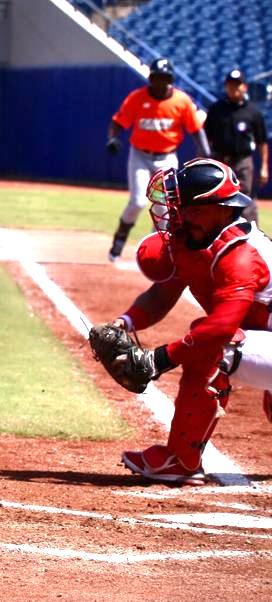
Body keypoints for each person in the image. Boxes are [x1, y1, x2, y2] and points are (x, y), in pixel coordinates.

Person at [103, 158, 272, 485]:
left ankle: (180, 460)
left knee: (216, 345)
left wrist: (159, 359)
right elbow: (161, 295)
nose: (179, 215)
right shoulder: (194, 238)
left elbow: (222, 327)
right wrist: (123, 323)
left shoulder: (241, 255)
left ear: (222, 209)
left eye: (189, 207)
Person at [105, 58, 209, 262]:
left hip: (167, 157)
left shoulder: (181, 101)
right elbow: (118, 122)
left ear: (170, 80)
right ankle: (119, 241)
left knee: (164, 209)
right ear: (150, 78)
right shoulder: (137, 98)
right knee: (137, 201)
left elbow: (196, 129)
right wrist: (112, 138)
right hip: (140, 156)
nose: (160, 82)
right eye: (157, 77)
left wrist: (205, 150)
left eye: (165, 78)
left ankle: (156, 253)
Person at [203, 68, 268, 223]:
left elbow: (262, 141)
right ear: (226, 86)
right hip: (220, 160)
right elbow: (206, 135)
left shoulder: (252, 112)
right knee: (216, 198)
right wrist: (206, 157)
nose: (234, 88)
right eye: (231, 85)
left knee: (246, 200)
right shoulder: (216, 109)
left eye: (237, 84)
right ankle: (216, 238)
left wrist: (264, 166)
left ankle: (253, 237)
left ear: (244, 87)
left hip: (242, 161)